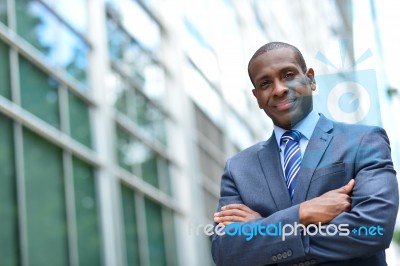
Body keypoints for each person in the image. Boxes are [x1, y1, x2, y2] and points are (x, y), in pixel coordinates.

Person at [211, 42, 399, 266]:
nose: (279, 89)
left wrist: (267, 229)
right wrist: (302, 213)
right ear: (257, 97)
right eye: (265, 83)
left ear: (310, 79)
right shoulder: (238, 169)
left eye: (288, 75)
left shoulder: (363, 142)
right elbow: (226, 252)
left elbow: (373, 229)